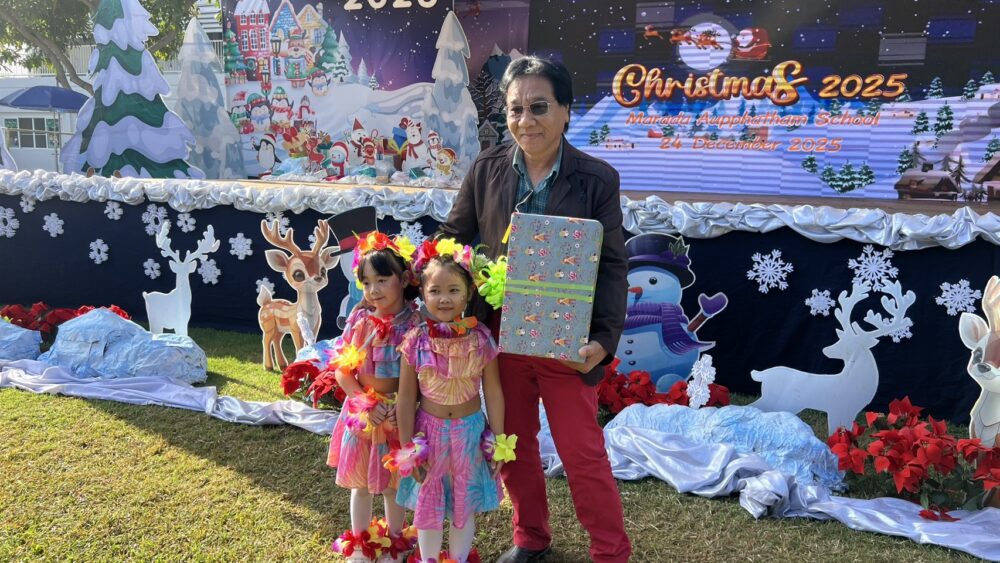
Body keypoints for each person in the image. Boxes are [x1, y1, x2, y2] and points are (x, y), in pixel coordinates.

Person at [439, 55, 631, 563]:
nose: (525, 120)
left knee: (581, 451)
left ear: (566, 110)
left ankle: (610, 552)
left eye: (539, 107)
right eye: (515, 109)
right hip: (501, 336)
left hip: (566, 337)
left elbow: (613, 266)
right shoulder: (486, 168)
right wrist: (418, 278)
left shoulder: (597, 179)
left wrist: (603, 340)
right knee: (512, 441)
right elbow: (453, 238)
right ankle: (530, 537)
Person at [394, 238, 507, 563]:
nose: (444, 298)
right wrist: (407, 447)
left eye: (453, 290)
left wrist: (499, 441)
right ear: (422, 294)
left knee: (463, 505)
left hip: (470, 434)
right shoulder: (415, 340)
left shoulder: (481, 339)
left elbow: (493, 392)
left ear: (469, 293)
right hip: (427, 435)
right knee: (428, 504)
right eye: (435, 291)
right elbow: (406, 398)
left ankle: (458, 559)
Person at [328, 232, 422, 563]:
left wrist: (405, 406)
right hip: (364, 413)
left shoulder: (416, 323)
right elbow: (342, 371)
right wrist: (365, 403)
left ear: (404, 279)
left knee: (394, 482)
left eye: (382, 280)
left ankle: (396, 542)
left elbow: (424, 376)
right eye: (366, 283)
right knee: (361, 484)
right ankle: (361, 542)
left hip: (399, 413)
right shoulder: (359, 319)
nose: (374, 290)